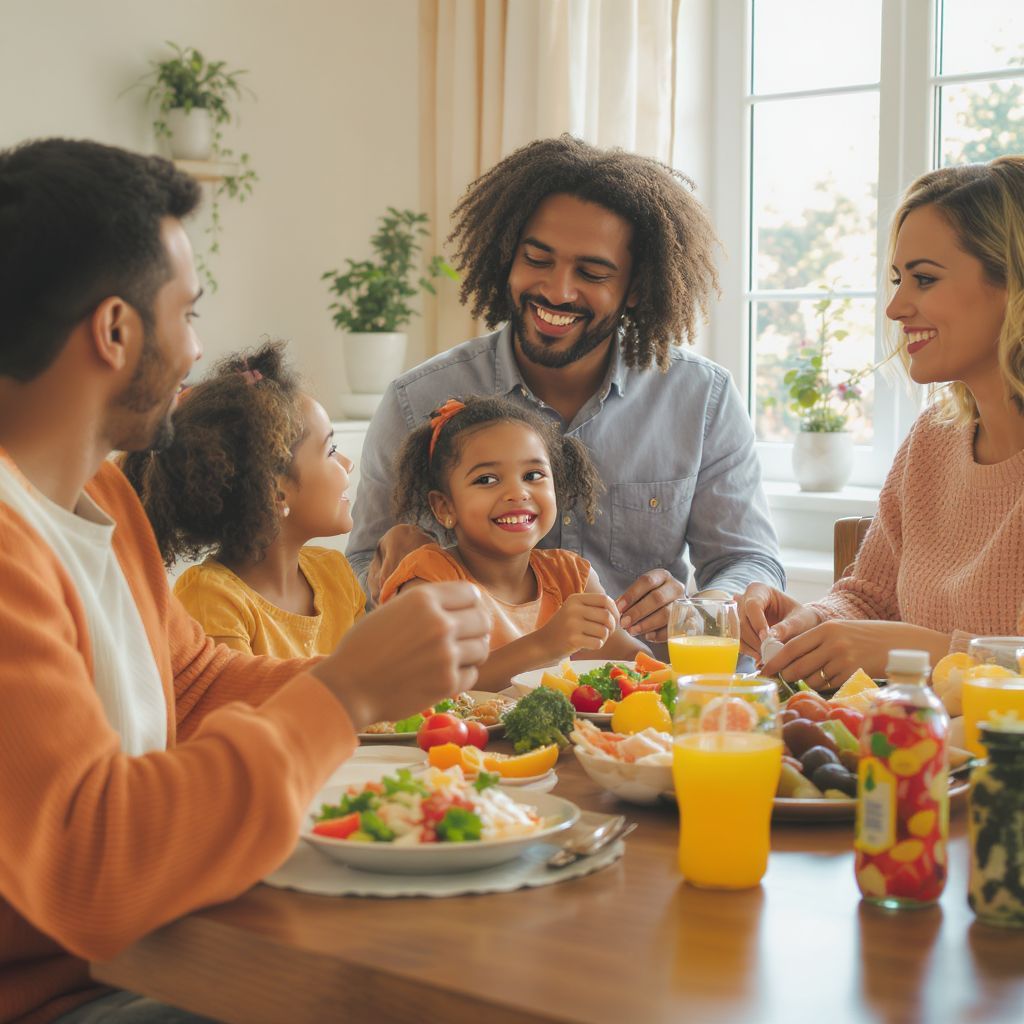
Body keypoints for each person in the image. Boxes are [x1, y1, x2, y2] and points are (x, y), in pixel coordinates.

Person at [0, 138, 489, 1024]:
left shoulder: (99, 490)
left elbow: (191, 685)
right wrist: (345, 691)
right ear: (114, 331)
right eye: (187, 313)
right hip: (68, 994)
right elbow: (94, 860)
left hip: (150, 954)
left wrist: (393, 686)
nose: (196, 348)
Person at [346, 135, 785, 648]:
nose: (557, 291)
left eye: (592, 273)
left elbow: (749, 562)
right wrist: (390, 569)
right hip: (472, 705)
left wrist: (702, 608)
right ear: (507, 257)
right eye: (537, 260)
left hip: (637, 700)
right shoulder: (415, 401)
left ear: (637, 289)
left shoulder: (700, 398)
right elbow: (358, 577)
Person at [739, 156, 1024, 709]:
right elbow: (869, 600)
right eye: (897, 280)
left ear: (1012, 282)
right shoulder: (933, 439)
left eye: (924, 278)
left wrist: (922, 652)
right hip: (919, 765)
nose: (895, 307)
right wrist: (812, 624)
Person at [381, 396, 646, 688]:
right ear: (445, 507)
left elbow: (629, 658)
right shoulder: (431, 582)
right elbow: (431, 686)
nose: (517, 493)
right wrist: (546, 645)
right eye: (486, 480)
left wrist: (659, 670)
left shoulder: (572, 577)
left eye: (533, 475)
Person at [122, 340, 365, 658]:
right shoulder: (212, 598)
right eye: (330, 450)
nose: (348, 463)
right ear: (274, 490)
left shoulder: (334, 573)